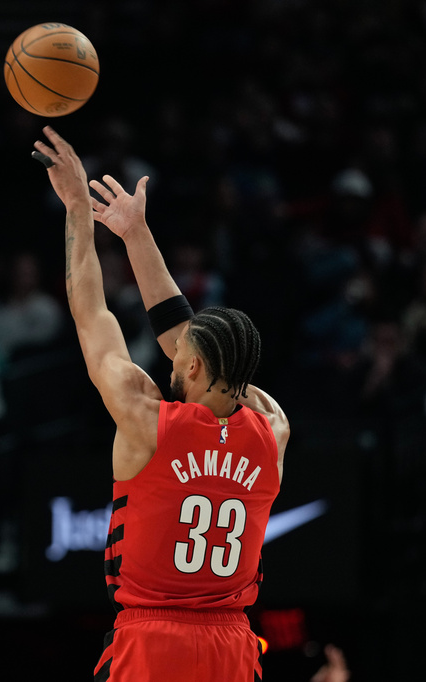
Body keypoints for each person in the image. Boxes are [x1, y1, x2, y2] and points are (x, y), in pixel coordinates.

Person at [32, 127, 289, 681]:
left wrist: (78, 207)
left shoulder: (145, 417)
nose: (169, 357)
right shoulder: (274, 429)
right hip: (234, 647)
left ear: (192, 366)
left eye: (179, 356)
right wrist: (135, 232)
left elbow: (90, 312)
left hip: (150, 642)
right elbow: (203, 352)